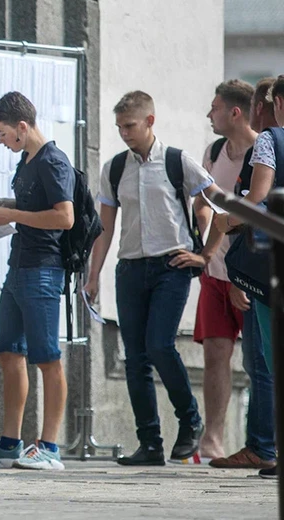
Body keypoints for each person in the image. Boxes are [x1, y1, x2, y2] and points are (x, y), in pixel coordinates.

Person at [85, 91, 218, 467]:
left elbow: (218, 203)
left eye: (130, 126)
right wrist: (93, 275)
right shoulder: (114, 169)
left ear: (149, 121)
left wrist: (205, 253)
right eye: (119, 127)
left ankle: (190, 421)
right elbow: (105, 229)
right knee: (135, 359)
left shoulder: (178, 161)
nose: (124, 133)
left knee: (160, 345)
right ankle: (150, 443)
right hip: (130, 269)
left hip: (171, 266)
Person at [0, 91, 74, 471]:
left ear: (22, 128)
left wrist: (14, 214)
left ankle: (50, 447)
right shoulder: (28, 160)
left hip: (43, 268)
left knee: (47, 358)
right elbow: (30, 207)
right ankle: (10, 443)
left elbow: (64, 218)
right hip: (19, 266)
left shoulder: (53, 161)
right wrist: (1, 205)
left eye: (2, 132)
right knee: (8, 352)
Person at [212, 76, 282, 479]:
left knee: (271, 361)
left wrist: (226, 221)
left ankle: (265, 447)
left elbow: (257, 198)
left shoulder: (270, 141)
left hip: (272, 263)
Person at [189, 80, 258, 465]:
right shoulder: (214, 152)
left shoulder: (262, 152)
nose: (208, 115)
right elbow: (203, 203)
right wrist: (206, 234)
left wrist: (237, 275)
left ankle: (260, 442)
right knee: (216, 354)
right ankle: (211, 440)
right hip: (213, 273)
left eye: (213, 108)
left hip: (249, 274)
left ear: (234, 112)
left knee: (258, 360)